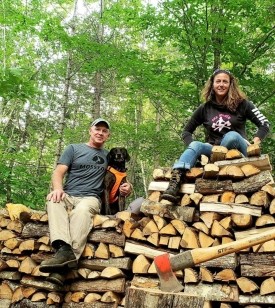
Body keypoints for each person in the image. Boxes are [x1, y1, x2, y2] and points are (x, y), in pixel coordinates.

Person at [39, 118, 132, 282]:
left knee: (81, 212)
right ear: (90, 131)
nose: (100, 133)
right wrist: (58, 189)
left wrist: (127, 188)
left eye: (104, 131)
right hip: (68, 194)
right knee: (53, 200)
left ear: (107, 136)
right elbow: (58, 172)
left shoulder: (109, 155)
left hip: (91, 197)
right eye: (97, 129)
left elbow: (118, 176)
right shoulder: (73, 149)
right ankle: (63, 249)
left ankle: (61, 266)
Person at [162, 69, 270, 203]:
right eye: (218, 81)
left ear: (231, 84)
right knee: (196, 144)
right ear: (212, 84)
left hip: (238, 149)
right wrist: (198, 147)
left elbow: (264, 123)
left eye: (225, 81)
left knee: (231, 136)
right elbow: (186, 132)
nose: (221, 84)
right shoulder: (205, 108)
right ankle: (175, 182)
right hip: (214, 153)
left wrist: (254, 142)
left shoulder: (243, 104)